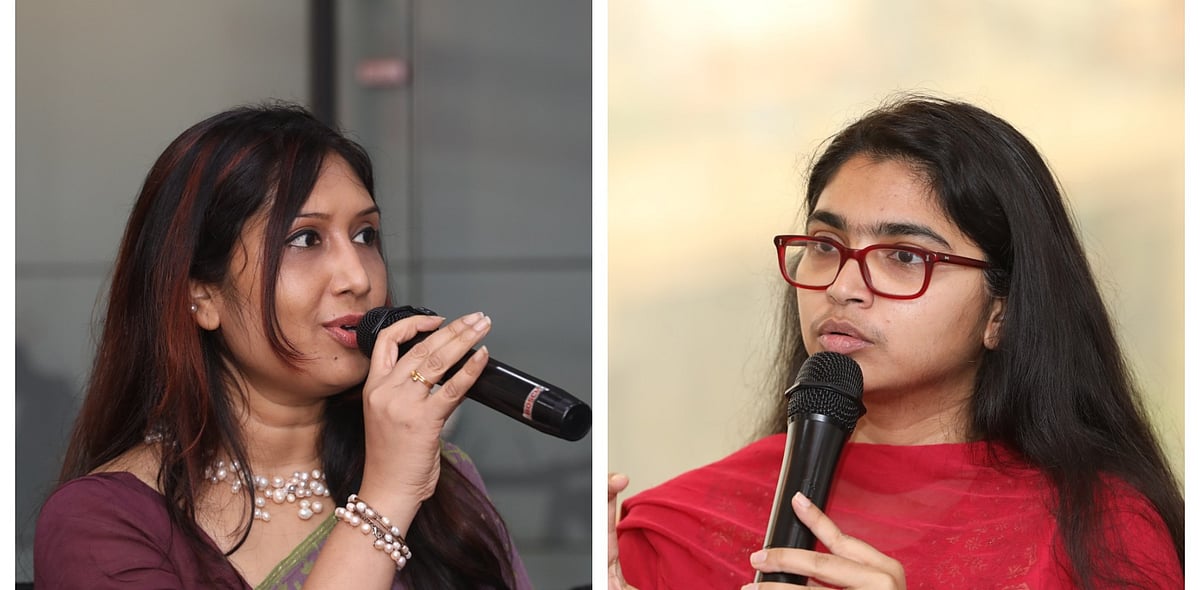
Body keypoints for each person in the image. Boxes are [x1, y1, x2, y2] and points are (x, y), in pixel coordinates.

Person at [608, 95, 1183, 589]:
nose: (842, 287)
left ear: (1002, 310)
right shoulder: (674, 530)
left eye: (905, 256)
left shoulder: (1101, 534)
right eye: (826, 245)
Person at [34, 103, 533, 589]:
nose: (358, 277)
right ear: (201, 295)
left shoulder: (441, 480)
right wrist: (384, 501)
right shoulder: (102, 522)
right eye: (305, 240)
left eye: (365, 235)